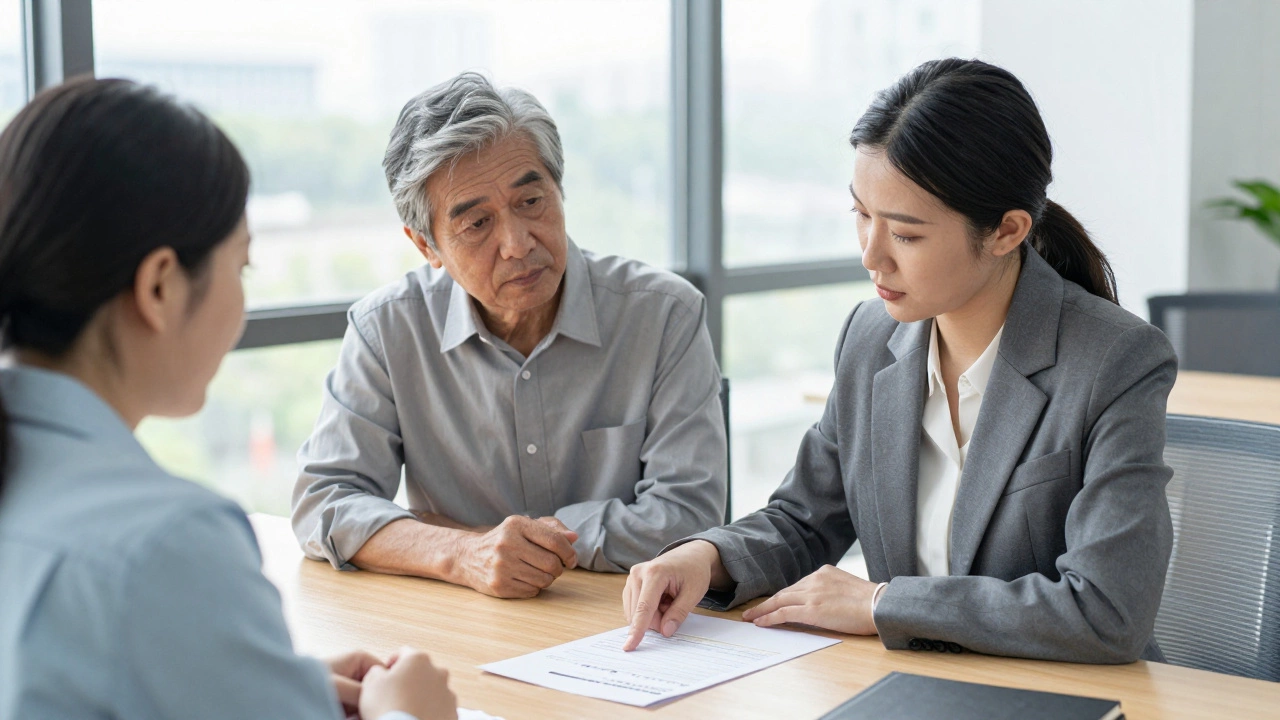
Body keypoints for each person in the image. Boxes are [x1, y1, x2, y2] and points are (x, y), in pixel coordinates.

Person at [622, 58, 1177, 664]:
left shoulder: (1116, 360)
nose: (871, 256)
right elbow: (805, 519)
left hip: (1058, 697)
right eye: (861, 214)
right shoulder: (869, 337)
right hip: (906, 689)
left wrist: (882, 603)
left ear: (1007, 231)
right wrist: (706, 556)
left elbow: (1106, 609)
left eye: (906, 235)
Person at [0, 77, 455, 720]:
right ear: (159, 287)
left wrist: (252, 679)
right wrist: (408, 714)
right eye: (240, 268)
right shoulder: (168, 542)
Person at [290, 72, 726, 597]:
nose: (517, 244)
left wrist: (506, 543)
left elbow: (688, 517)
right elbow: (324, 501)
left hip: (628, 626)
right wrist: (459, 552)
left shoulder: (664, 315)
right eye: (477, 225)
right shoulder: (386, 330)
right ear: (425, 245)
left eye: (531, 202)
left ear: (559, 190)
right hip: (463, 631)